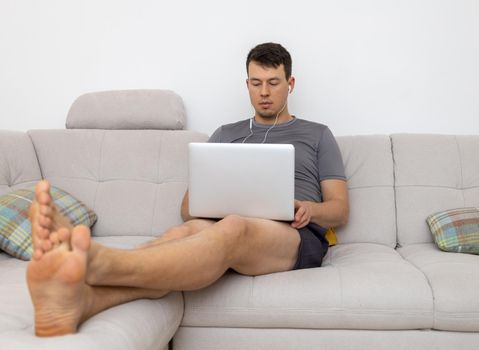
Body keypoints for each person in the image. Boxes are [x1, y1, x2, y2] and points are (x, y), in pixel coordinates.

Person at [26, 42, 349, 337]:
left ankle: (99, 262)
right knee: (184, 232)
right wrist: (219, 202)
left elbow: (339, 208)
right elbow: (188, 206)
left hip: (293, 233)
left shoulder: (317, 134)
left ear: (290, 84)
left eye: (273, 83)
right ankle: (84, 300)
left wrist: (311, 209)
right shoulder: (226, 134)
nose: (264, 92)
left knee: (234, 227)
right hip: (221, 225)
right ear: (246, 85)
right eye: (256, 83)